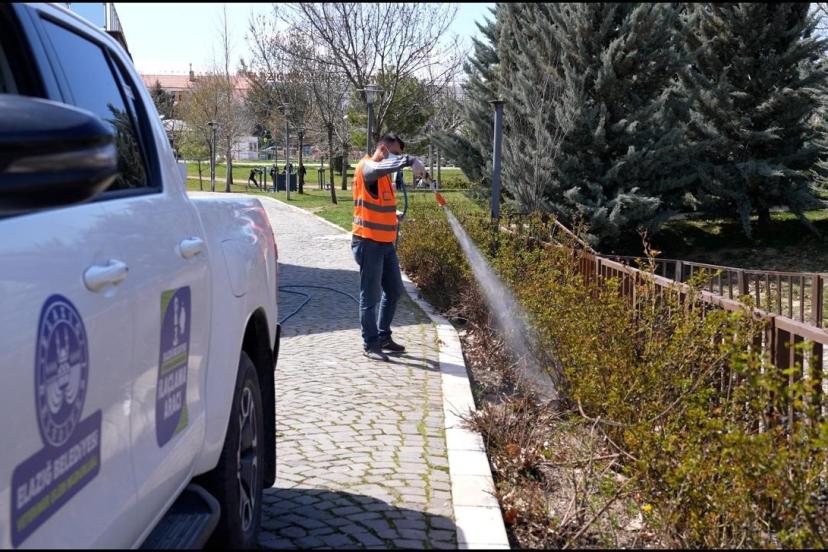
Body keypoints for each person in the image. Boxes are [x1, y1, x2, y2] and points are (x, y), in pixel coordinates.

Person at [352, 133, 425, 361]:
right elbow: (375, 170)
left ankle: (383, 336)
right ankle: (370, 344)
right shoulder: (367, 167)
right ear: (383, 149)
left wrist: (393, 215)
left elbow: (377, 203)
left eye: (399, 155)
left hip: (385, 243)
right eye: (394, 154)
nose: (396, 159)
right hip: (368, 242)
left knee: (394, 290)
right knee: (370, 296)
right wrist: (409, 160)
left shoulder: (384, 177)